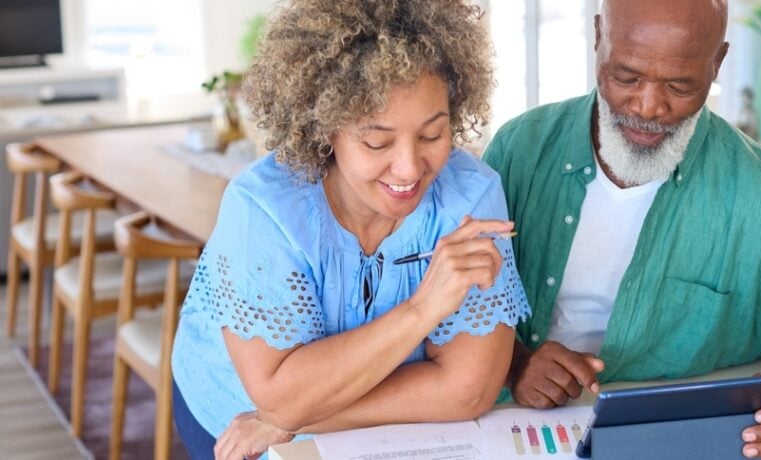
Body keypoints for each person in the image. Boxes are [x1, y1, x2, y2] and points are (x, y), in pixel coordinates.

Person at [482, 0, 761, 458]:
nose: (649, 107)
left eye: (680, 85)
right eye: (626, 77)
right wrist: (515, 364)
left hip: (688, 441)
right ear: (597, 38)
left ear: (717, 62)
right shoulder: (519, 150)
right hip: (513, 429)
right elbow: (450, 308)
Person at [170, 1, 530, 458]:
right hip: (231, 418)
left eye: (432, 135)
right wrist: (425, 307)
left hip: (347, 425)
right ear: (325, 128)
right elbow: (279, 394)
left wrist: (289, 416)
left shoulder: (471, 198)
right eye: (377, 140)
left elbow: (467, 391)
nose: (409, 167)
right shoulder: (262, 208)